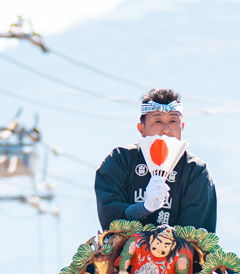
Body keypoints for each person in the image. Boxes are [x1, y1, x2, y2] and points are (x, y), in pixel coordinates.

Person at [92, 90, 215, 234]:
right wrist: (144, 207)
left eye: (173, 121)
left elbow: (197, 233)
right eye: (158, 121)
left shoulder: (195, 170)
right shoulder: (120, 160)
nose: (166, 129)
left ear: (182, 127)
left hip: (178, 256)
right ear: (141, 129)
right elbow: (110, 220)